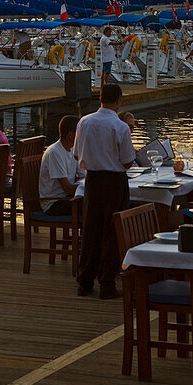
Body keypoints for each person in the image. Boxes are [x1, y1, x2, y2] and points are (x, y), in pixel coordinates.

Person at [74, 82, 135, 299]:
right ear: (118, 101)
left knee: (90, 230)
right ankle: (107, 283)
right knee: (112, 231)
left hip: (92, 180)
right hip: (114, 181)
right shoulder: (120, 127)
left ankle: (85, 281)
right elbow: (127, 161)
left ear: (100, 99)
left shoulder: (84, 122)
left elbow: (75, 154)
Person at [39, 115, 84, 215]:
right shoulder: (55, 152)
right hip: (54, 202)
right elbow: (66, 187)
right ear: (71, 135)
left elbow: (83, 174)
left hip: (67, 197)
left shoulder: (73, 149)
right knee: (93, 206)